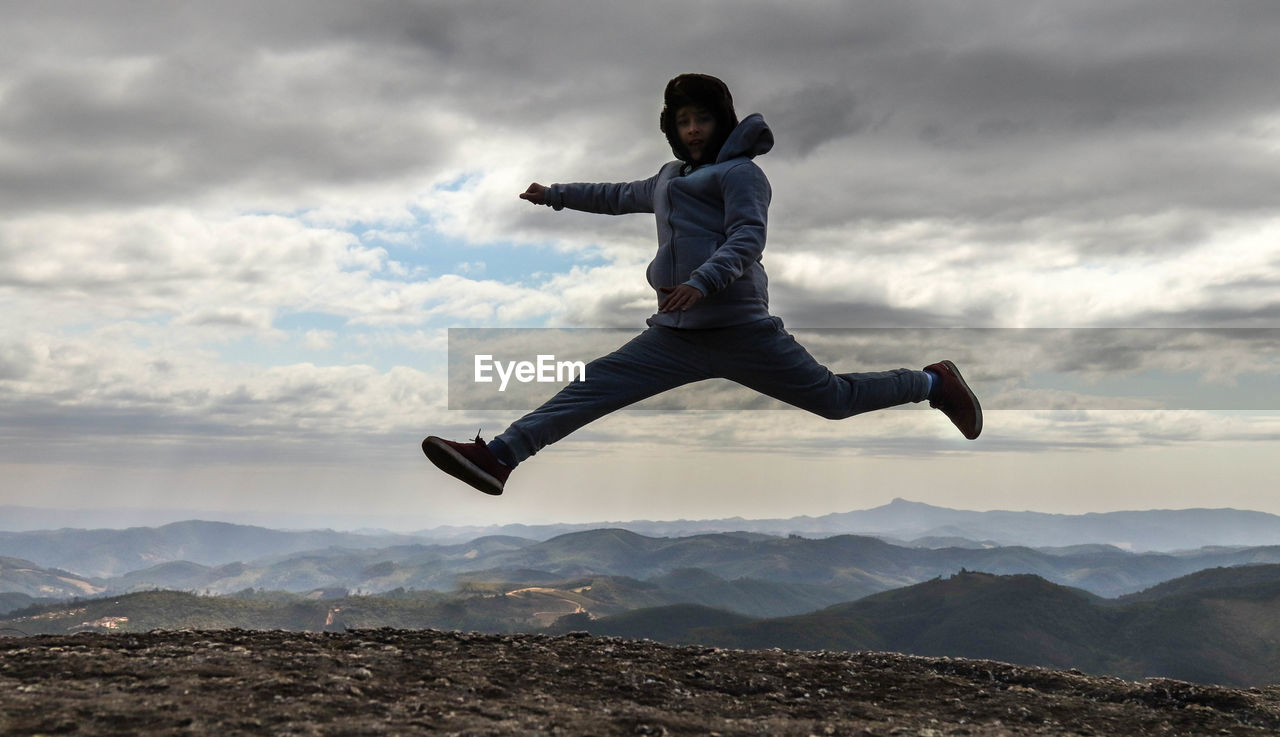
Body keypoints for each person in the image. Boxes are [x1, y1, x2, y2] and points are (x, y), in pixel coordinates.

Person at [422, 74, 980, 496]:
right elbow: (617, 196)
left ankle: (931, 383)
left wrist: (703, 281)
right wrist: (557, 193)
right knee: (589, 388)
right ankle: (499, 458)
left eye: (703, 120)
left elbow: (746, 240)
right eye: (683, 121)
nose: (692, 130)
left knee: (833, 400)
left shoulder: (742, 175)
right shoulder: (668, 180)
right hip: (675, 334)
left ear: (723, 123)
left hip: (741, 330)